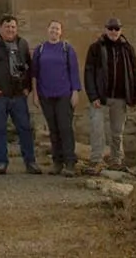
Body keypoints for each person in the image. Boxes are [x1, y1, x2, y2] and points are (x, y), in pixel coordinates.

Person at [0, 14, 41, 174]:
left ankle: (30, 162)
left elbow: (29, 67)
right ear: (0, 28)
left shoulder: (22, 44)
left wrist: (27, 87)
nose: (10, 30)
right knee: (0, 129)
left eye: (13, 27)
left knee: (25, 129)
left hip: (18, 95)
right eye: (7, 27)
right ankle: (1, 162)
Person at [83, 18, 136, 171]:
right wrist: (93, 96)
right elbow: (89, 72)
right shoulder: (95, 48)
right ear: (106, 29)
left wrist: (134, 97)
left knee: (117, 131)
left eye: (116, 29)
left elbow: (134, 73)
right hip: (100, 97)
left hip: (120, 96)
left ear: (121, 30)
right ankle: (96, 160)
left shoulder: (127, 48)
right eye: (111, 28)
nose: (113, 31)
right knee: (97, 129)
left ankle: (116, 160)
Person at [31, 20, 81, 176]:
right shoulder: (40, 49)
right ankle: (57, 162)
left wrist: (75, 91)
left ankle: (70, 162)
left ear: (61, 32)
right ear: (48, 30)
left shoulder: (67, 49)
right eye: (52, 28)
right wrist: (35, 94)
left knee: (65, 128)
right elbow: (34, 74)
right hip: (46, 95)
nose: (54, 31)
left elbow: (74, 71)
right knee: (53, 129)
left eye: (57, 29)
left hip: (64, 94)